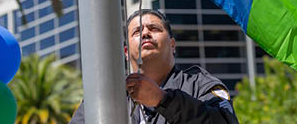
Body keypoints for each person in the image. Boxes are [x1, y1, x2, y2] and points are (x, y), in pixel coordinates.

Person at [69, 9, 239, 124]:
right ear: (126, 52)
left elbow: (225, 120)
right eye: (137, 32)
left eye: (154, 28)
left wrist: (163, 100)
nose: (145, 33)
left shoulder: (198, 83)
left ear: (172, 44)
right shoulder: (107, 95)